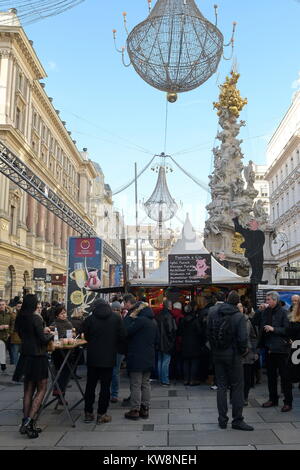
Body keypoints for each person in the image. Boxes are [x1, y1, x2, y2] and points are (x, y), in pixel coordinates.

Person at [207, 290, 254, 431]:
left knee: (221, 387)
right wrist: (243, 351)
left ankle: (222, 420)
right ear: (237, 302)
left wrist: (215, 349)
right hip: (234, 356)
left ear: (227, 299)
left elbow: (208, 332)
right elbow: (242, 339)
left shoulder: (213, 312)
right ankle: (237, 420)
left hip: (218, 354)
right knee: (237, 387)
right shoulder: (238, 316)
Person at [14, 294, 53, 439]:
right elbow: (42, 340)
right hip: (38, 356)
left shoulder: (20, 317)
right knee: (42, 388)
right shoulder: (35, 318)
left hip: (25, 356)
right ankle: (30, 422)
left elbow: (22, 335)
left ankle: (25, 421)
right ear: (34, 304)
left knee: (28, 390)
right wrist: (50, 335)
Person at [82, 299, 126, 424]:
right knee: (105, 387)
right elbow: (123, 335)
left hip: (93, 357)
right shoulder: (116, 318)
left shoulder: (90, 319)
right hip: (108, 357)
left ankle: (88, 413)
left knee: (90, 386)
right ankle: (101, 414)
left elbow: (86, 336)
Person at [123, 294, 158, 420]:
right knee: (145, 383)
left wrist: (130, 317)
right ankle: (145, 408)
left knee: (136, 384)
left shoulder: (140, 320)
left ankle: (135, 410)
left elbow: (127, 331)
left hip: (137, 355)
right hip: (149, 355)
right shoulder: (153, 321)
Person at [257, 291, 293, 412]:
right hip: (269, 348)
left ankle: (288, 402)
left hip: (281, 349)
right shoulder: (265, 311)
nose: (266, 301)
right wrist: (259, 310)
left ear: (275, 300)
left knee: (284, 377)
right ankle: (273, 399)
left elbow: (287, 330)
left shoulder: (284, 312)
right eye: (266, 299)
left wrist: (273, 329)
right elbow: (255, 322)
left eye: (268, 300)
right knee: (271, 376)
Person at [178, 302, 206, 386]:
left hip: (185, 344)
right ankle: (192, 380)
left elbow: (179, 332)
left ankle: (186, 379)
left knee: (186, 362)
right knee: (194, 362)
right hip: (195, 344)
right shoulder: (195, 321)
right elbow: (200, 332)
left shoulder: (182, 320)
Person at [50, 305, 74, 404]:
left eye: (65, 313)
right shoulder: (54, 324)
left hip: (67, 351)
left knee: (65, 373)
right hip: (57, 352)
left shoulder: (68, 323)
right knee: (57, 372)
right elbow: (52, 337)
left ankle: (61, 395)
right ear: (57, 315)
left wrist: (72, 335)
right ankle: (59, 392)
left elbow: (70, 335)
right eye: (62, 313)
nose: (64, 315)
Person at [232, 216, 265, 284]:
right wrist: (235, 220)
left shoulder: (260, 233)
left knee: (259, 267)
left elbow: (260, 244)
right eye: (250, 221)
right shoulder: (247, 231)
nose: (250, 222)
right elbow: (238, 229)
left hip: (258, 253)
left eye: (252, 221)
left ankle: (257, 280)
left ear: (257, 224)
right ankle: (255, 280)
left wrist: (245, 245)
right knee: (255, 267)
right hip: (251, 254)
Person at [239, 303, 258, 406]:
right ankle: (236, 397)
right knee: (237, 378)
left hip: (248, 354)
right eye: (237, 307)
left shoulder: (248, 320)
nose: (239, 309)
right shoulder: (230, 320)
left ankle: (245, 397)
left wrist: (255, 351)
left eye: (241, 307)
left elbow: (253, 337)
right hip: (236, 354)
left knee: (247, 378)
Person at [156, 300, 177, 386]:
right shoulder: (169, 316)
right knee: (165, 361)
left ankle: (161, 379)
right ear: (168, 306)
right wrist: (172, 339)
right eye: (171, 304)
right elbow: (171, 330)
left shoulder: (158, 315)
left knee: (160, 360)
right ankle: (165, 380)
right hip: (167, 342)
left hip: (159, 341)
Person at [110, 301, 125, 403]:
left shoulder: (112, 319)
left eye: (117, 310)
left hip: (116, 349)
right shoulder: (122, 320)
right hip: (117, 349)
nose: (116, 312)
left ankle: (114, 394)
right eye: (114, 310)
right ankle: (114, 394)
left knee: (114, 371)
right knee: (115, 371)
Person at [0, 299, 13, 375]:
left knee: (4, 351)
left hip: (6, 336)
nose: (1, 306)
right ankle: (3, 365)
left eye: (2, 304)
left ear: (5, 305)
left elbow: (12, 324)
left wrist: (10, 332)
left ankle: (3, 364)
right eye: (0, 305)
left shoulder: (9, 314)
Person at [10, 300, 22, 365]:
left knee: (20, 353)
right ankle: (15, 366)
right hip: (14, 335)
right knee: (15, 352)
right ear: (16, 306)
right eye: (18, 306)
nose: (19, 308)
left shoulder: (24, 313)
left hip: (22, 336)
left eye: (21, 306)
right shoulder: (12, 312)